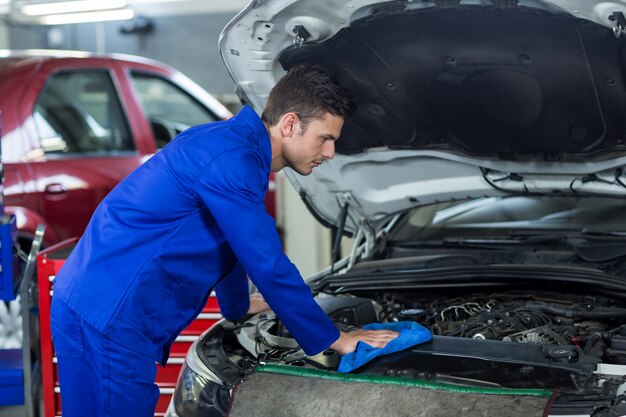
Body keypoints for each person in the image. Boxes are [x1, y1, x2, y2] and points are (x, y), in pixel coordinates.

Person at [50, 64, 398, 417]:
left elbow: (229, 241)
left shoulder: (232, 146)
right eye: (325, 138)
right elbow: (266, 261)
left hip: (84, 300)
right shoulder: (232, 161)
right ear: (290, 124)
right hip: (112, 316)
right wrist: (335, 338)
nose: (330, 153)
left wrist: (236, 306)